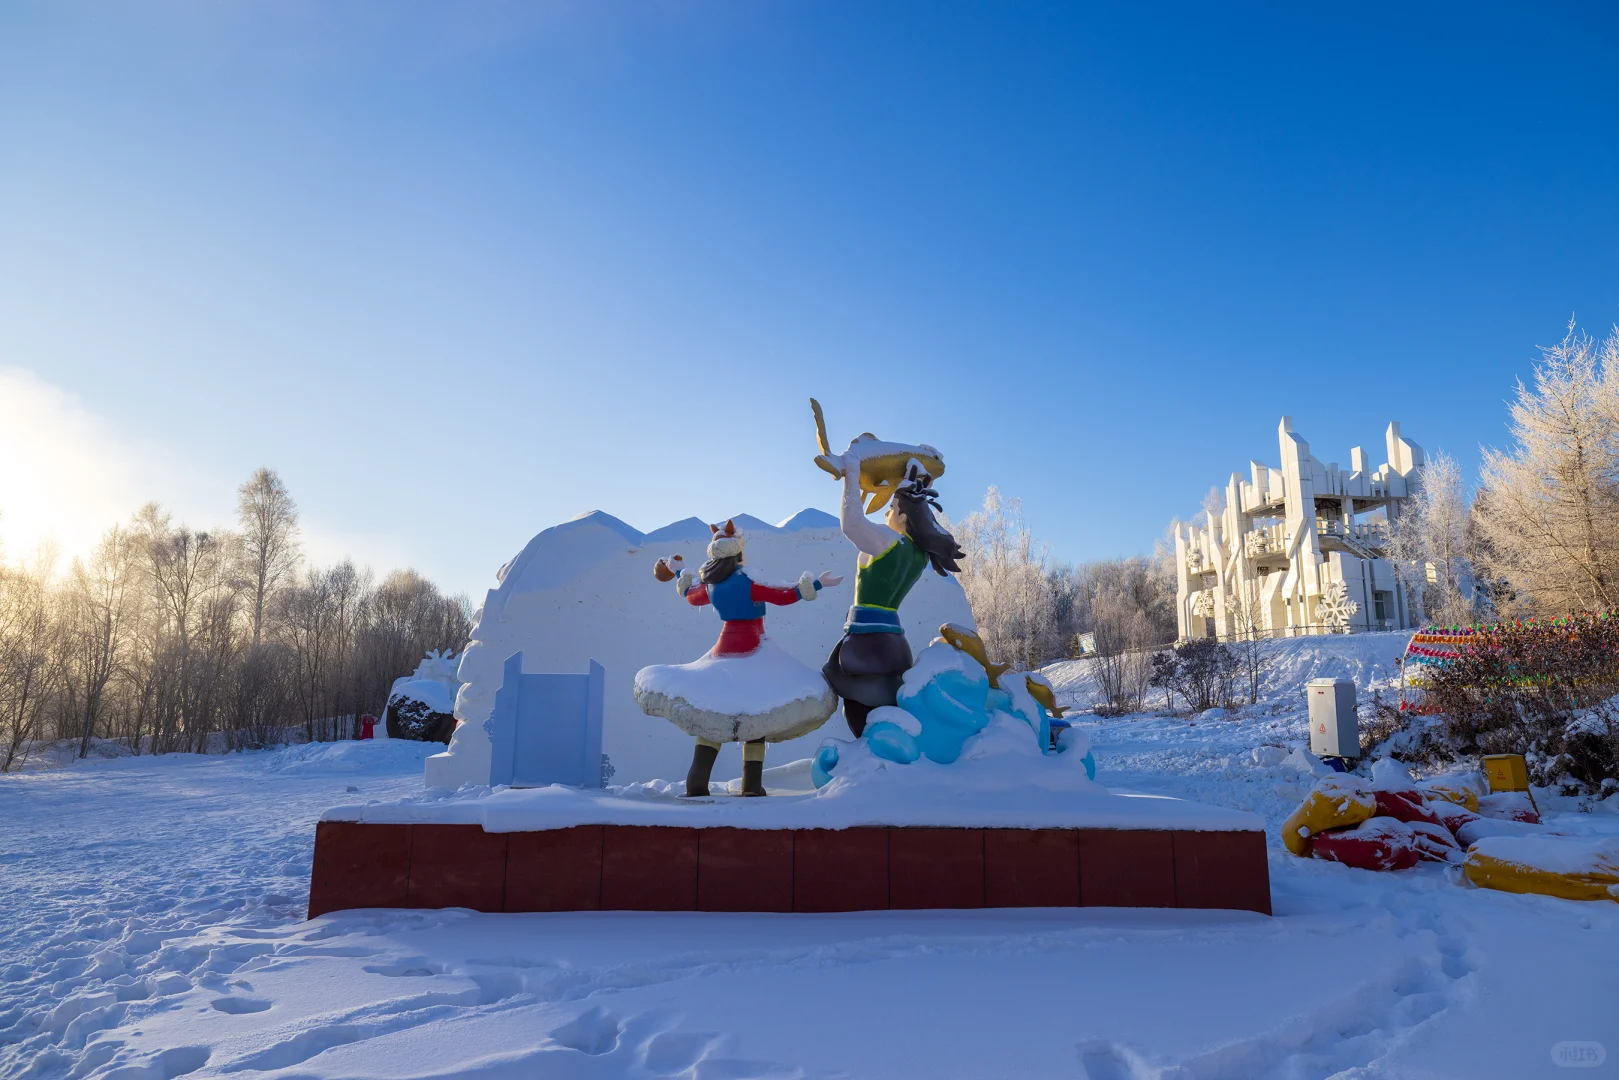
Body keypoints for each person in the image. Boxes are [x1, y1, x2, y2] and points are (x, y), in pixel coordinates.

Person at [634, 520, 843, 797]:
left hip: (722, 651)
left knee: (715, 710)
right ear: (737, 553)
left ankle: (697, 783)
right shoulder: (747, 582)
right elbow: (783, 595)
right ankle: (751, 785)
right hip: (755, 650)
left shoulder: (712, 586)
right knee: (756, 711)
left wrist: (677, 571)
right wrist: (816, 583)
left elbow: (689, 594)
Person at [823, 458, 965, 736]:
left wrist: (851, 477)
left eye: (891, 508)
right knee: (885, 704)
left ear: (903, 517)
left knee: (860, 706)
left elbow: (851, 525)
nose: (886, 514)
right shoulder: (920, 554)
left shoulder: (889, 540)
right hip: (893, 642)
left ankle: (877, 761)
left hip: (865, 641)